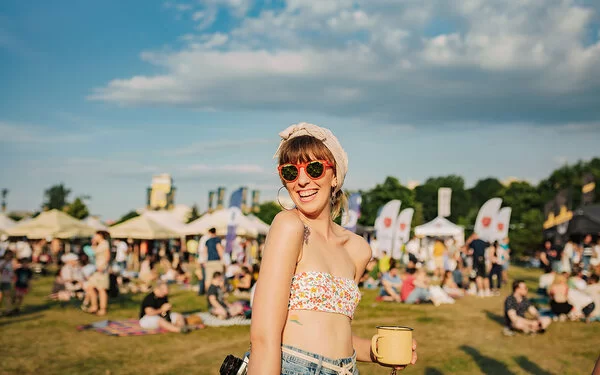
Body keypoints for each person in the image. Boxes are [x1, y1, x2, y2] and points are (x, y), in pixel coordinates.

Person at [248, 123, 417, 374]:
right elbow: (265, 337)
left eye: (314, 169)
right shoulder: (289, 226)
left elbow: (336, 336)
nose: (302, 180)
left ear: (334, 175)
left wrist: (378, 350)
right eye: (291, 172)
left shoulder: (359, 249)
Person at [83, 231, 111, 316]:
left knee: (101, 289)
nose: (94, 236)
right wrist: (94, 243)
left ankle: (103, 309)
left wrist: (102, 266)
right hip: (94, 269)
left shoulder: (105, 243)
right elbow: (92, 253)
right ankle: (94, 306)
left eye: (96, 235)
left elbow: (107, 256)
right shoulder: (98, 244)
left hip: (102, 269)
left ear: (100, 236)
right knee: (90, 287)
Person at [467, 233, 491, 297]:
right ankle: (487, 290)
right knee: (485, 276)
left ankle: (481, 291)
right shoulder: (482, 242)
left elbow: (468, 247)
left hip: (476, 261)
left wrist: (470, 239)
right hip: (483, 260)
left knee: (478, 276)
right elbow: (489, 244)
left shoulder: (473, 242)